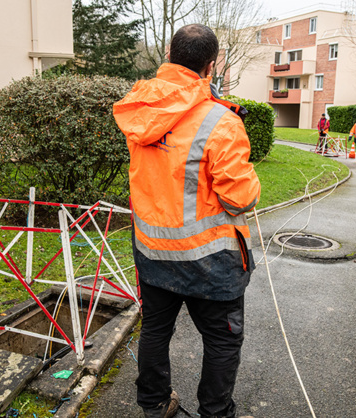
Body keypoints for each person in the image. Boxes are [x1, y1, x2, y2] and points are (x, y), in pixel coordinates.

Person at [113, 23, 261, 418]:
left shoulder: (141, 110)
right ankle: (215, 412)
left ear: (168, 52)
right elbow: (239, 197)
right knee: (222, 341)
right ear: (212, 65)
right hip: (211, 261)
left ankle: (155, 405)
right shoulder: (222, 122)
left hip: (152, 250)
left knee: (156, 330)